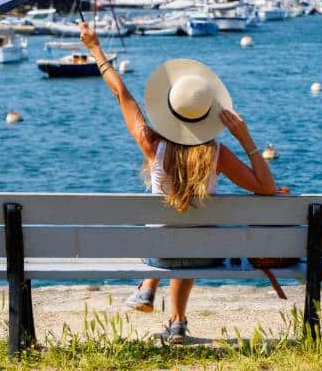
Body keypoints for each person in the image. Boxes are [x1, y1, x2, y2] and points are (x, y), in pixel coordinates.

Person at [79, 22, 276, 344]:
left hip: (157, 255)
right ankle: (176, 320)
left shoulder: (152, 144)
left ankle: (148, 287)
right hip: (204, 254)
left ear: (169, 110)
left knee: (170, 238)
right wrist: (244, 136)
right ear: (207, 114)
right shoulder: (218, 154)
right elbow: (266, 187)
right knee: (189, 238)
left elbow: (121, 94)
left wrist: (95, 48)